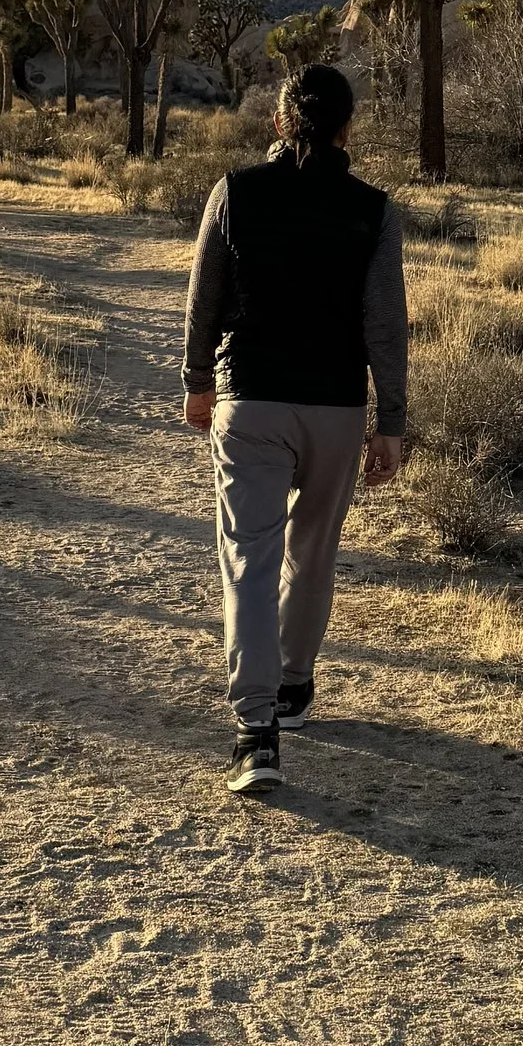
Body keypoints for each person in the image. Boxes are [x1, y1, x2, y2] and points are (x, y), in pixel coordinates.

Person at [180, 61, 407, 795]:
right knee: (311, 553)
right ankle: (293, 686)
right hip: (337, 410)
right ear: (347, 129)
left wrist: (197, 382)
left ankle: (256, 734)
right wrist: (390, 423)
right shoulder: (373, 209)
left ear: (279, 122)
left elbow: (203, 297)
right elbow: (385, 324)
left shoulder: (236, 192)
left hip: (252, 405)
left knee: (249, 558)